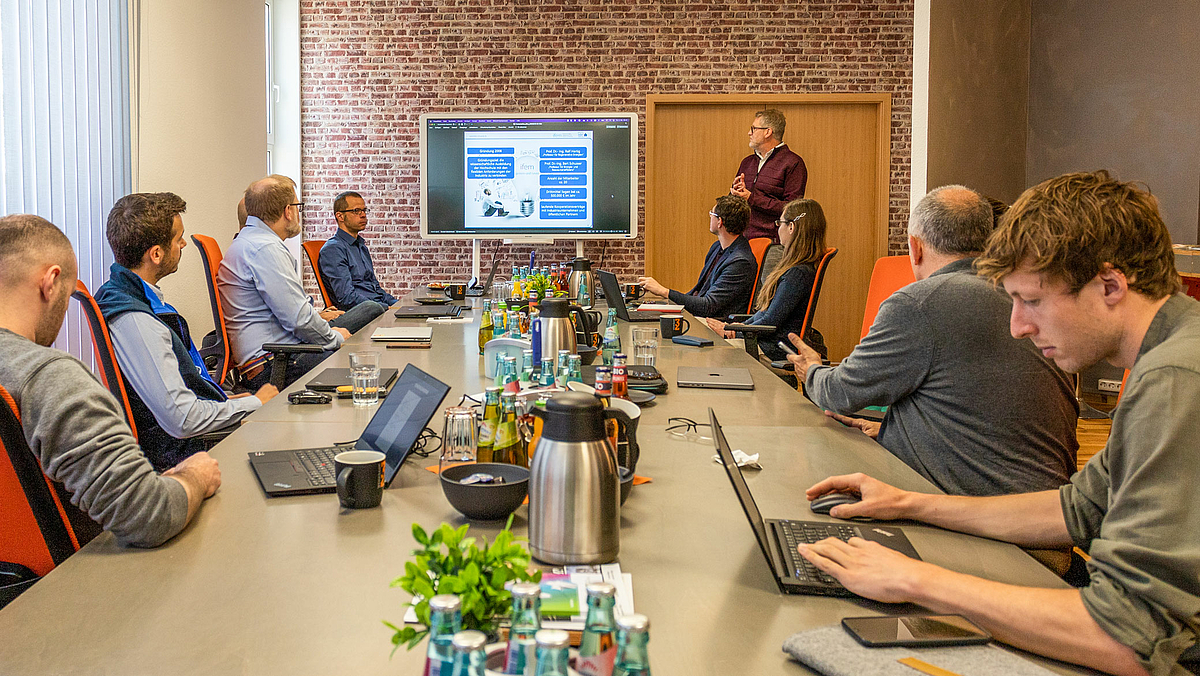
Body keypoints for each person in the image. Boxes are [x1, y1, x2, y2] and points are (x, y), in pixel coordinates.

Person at [797, 171, 1200, 676]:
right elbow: (1077, 508)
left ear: (1111, 284)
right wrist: (910, 503)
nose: (1018, 326)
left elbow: (1128, 636)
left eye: (1030, 300)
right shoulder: (1169, 352)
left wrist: (917, 580)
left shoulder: (1176, 378)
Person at [787, 185, 1078, 497]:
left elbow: (839, 394)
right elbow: (976, 407)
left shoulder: (920, 303)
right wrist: (894, 431)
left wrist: (812, 369)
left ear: (915, 247)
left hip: (979, 518)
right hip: (1046, 506)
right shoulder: (1023, 296)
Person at [0, 214, 221, 547]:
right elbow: (149, 515)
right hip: (69, 589)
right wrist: (196, 476)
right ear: (50, 282)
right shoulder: (48, 377)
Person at [94, 193, 279, 472]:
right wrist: (254, 402)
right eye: (178, 238)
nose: (182, 243)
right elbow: (182, 419)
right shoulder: (136, 319)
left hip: (192, 434)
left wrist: (226, 402)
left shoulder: (127, 294)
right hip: (188, 453)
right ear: (155, 254)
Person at [218, 175, 386, 389]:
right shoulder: (265, 248)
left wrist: (324, 325)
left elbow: (291, 314)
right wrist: (334, 338)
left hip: (284, 352)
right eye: (298, 206)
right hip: (277, 363)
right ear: (288, 211)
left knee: (371, 310)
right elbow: (299, 321)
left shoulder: (253, 242)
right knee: (366, 363)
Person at [704, 198, 829, 361]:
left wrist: (734, 332)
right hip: (766, 341)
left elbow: (770, 321)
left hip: (773, 347)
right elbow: (766, 314)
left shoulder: (797, 273)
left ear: (791, 227)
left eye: (780, 223)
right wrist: (739, 327)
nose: (778, 229)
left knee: (710, 351)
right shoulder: (797, 269)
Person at [638, 195, 757, 319]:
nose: (709, 216)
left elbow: (708, 306)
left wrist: (664, 292)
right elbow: (698, 292)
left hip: (714, 323)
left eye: (712, 213)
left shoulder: (740, 262)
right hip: (700, 316)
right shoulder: (717, 247)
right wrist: (665, 304)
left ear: (720, 222)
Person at [730, 108, 807, 242]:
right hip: (742, 241)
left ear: (767, 132)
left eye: (753, 129)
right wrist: (734, 194)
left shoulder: (793, 163)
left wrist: (751, 198)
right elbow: (737, 202)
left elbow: (792, 210)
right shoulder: (747, 162)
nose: (749, 133)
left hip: (773, 243)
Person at [317, 190, 399, 310]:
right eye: (356, 211)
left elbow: (376, 289)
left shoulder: (360, 245)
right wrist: (385, 308)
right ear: (340, 216)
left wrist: (398, 305)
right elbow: (347, 298)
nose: (363, 215)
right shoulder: (333, 249)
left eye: (364, 210)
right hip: (362, 311)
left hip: (376, 307)